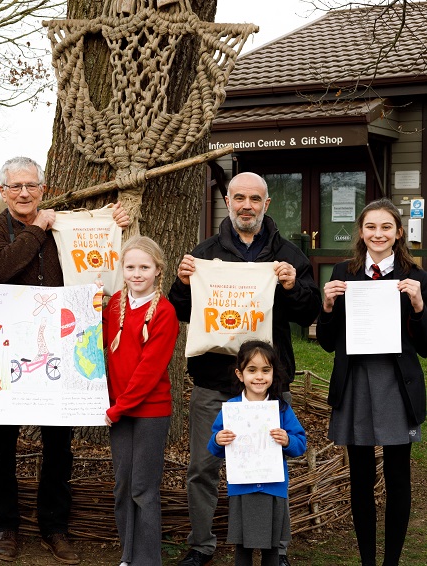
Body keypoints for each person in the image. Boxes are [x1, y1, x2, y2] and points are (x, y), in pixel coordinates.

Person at [0, 156, 129, 564]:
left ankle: (54, 527)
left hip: (61, 345)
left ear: (43, 189)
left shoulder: (63, 225)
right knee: (0, 443)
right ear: (3, 192)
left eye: (31, 186)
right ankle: (5, 525)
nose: (24, 193)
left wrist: (112, 223)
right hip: (8, 348)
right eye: (15, 187)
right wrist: (36, 228)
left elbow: (95, 238)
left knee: (59, 445)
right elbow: (0, 268)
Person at [167, 171, 321, 566]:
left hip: (267, 383)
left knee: (272, 465)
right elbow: (182, 311)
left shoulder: (288, 254)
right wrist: (183, 283)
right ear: (229, 202)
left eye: (255, 199)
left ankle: (277, 549)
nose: (246, 206)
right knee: (203, 466)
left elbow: (310, 313)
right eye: (239, 198)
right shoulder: (203, 253)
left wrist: (292, 286)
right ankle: (201, 545)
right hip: (214, 381)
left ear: (266, 204)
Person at [316, 198, 426, 566]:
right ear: (361, 233)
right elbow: (329, 343)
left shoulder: (416, 278)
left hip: (396, 384)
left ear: (398, 233)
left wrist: (419, 306)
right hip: (356, 383)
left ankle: (391, 561)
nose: (378, 234)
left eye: (386, 227)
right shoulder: (342, 273)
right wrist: (328, 308)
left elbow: (425, 347)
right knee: (360, 478)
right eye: (370, 227)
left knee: (398, 477)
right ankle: (366, 561)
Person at [103, 235, 179, 566]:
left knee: (142, 489)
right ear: (122, 269)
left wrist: (117, 408)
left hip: (149, 412)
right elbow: (96, 349)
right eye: (130, 266)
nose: (137, 273)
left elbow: (148, 372)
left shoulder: (164, 312)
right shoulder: (115, 303)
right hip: (119, 412)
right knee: (123, 486)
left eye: (144, 267)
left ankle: (148, 560)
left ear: (157, 270)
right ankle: (127, 555)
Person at [207, 340, 307, 566]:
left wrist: (288, 440)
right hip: (242, 489)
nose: (259, 376)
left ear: (273, 373)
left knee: (272, 548)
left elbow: (301, 443)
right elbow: (214, 446)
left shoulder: (281, 409)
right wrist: (218, 439)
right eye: (252, 370)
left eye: (265, 370)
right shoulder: (232, 409)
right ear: (240, 374)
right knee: (243, 547)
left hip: (273, 489)